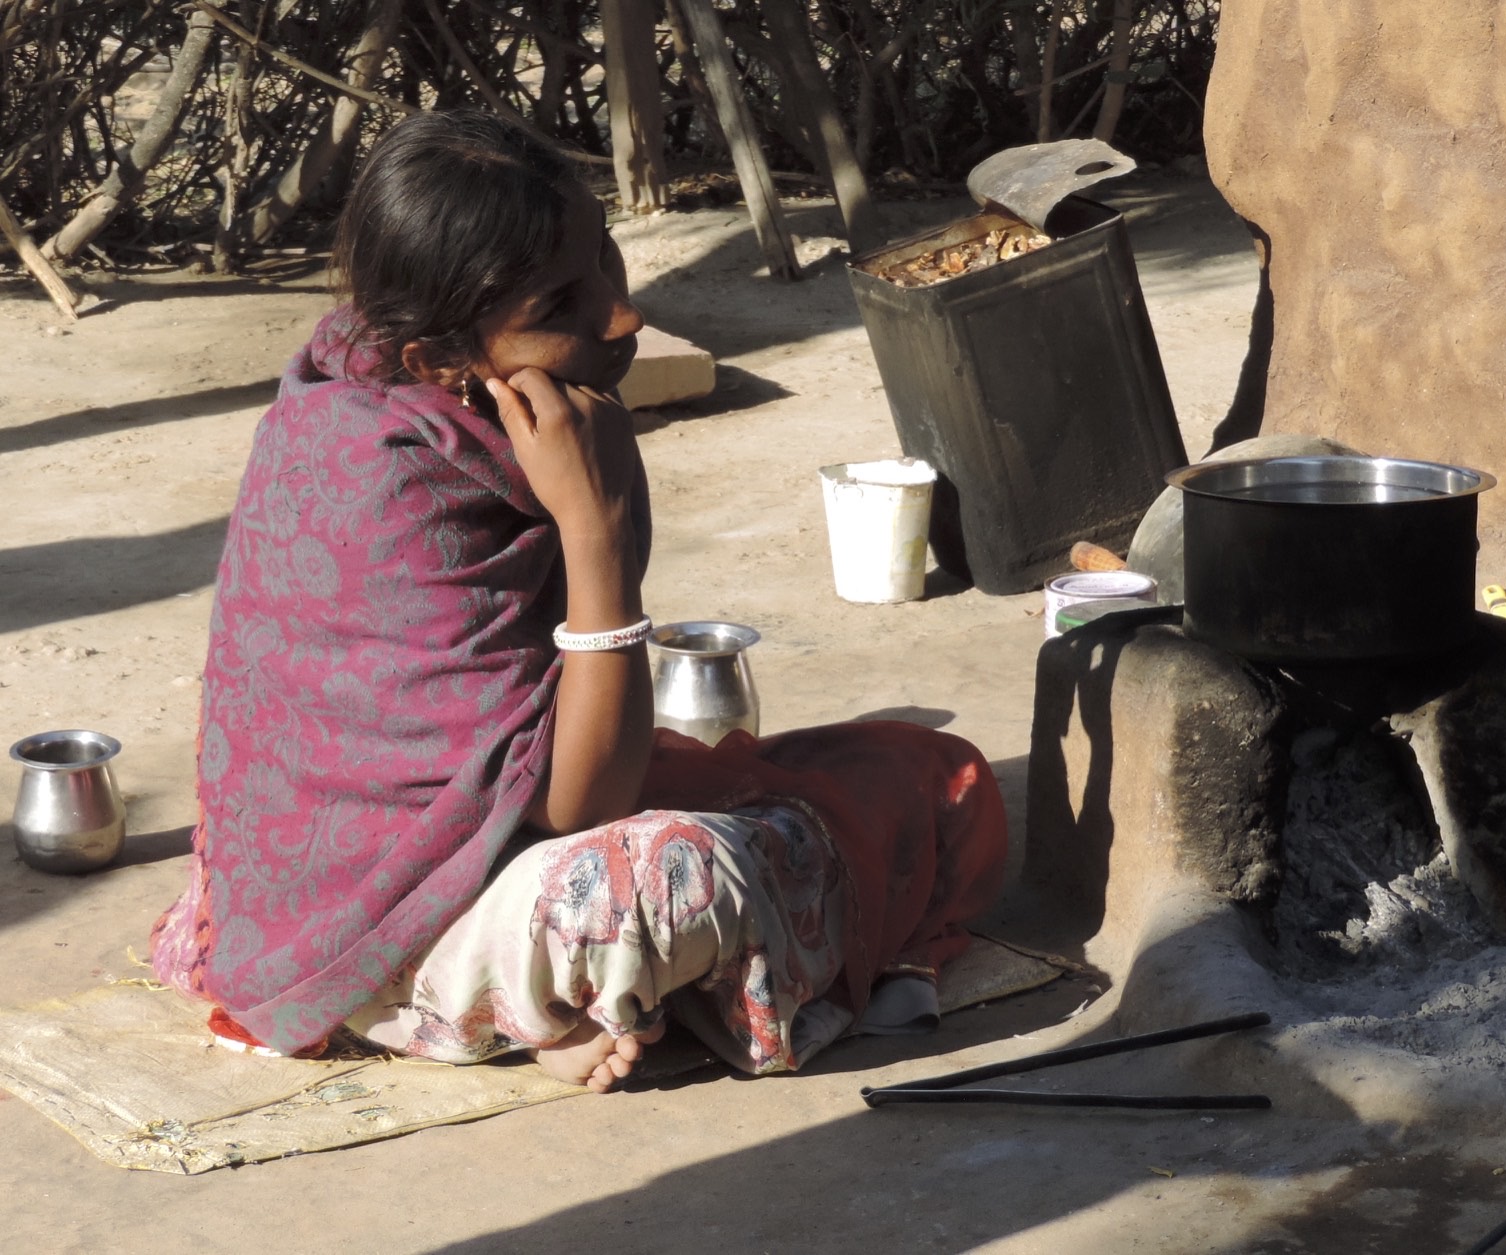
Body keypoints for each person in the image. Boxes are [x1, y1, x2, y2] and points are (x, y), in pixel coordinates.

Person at [149, 110, 1008, 1093]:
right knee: (678, 877)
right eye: (562, 303)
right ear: (435, 360)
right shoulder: (375, 472)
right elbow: (582, 804)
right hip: (376, 920)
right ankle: (461, 1000)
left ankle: (515, 1006)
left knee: (931, 771)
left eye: (605, 255)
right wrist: (592, 531)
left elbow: (535, 767)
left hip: (446, 865)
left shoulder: (453, 410)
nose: (622, 314)